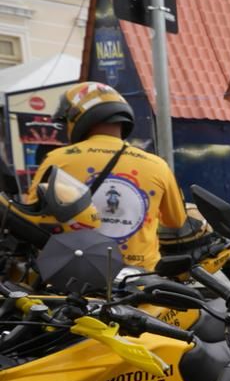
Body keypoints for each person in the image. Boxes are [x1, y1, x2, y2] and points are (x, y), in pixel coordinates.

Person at [27, 81, 190, 271]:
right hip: (140, 282)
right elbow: (176, 221)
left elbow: (33, 219)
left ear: (78, 117)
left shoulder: (58, 160)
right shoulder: (158, 165)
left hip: (72, 280)